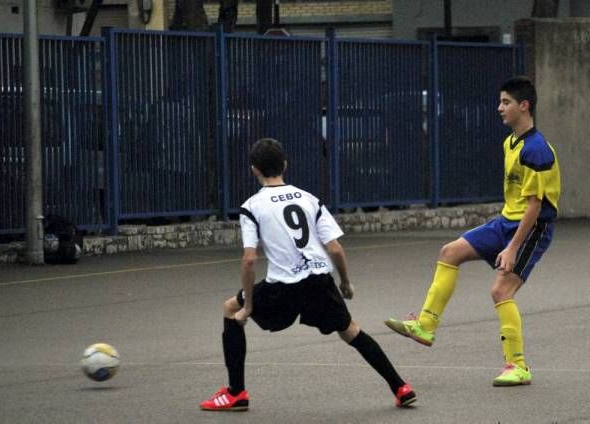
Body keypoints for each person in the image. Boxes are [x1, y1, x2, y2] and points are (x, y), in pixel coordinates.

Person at [200, 138, 417, 411]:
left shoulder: (252, 206)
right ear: (285, 165)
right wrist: (345, 283)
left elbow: (249, 259)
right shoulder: (309, 199)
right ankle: (400, 387)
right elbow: (335, 248)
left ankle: (236, 393)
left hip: (284, 286)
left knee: (231, 308)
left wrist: (250, 305)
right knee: (350, 331)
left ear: (254, 169)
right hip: (319, 280)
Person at [384, 76, 561, 386]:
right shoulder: (511, 142)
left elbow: (534, 207)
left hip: (532, 229)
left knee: (501, 291)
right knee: (449, 253)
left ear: (524, 105)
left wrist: (512, 247)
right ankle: (426, 325)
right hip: (507, 221)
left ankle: (518, 366)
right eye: (500, 101)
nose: (499, 108)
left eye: (506, 102)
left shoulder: (538, 150)